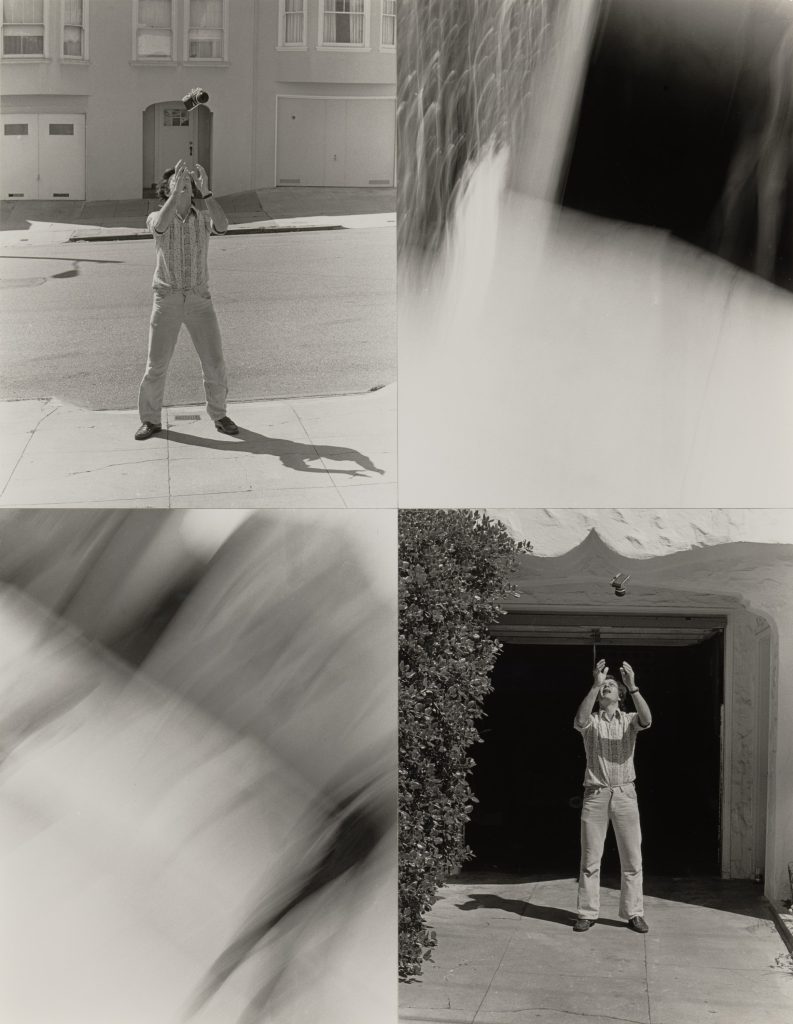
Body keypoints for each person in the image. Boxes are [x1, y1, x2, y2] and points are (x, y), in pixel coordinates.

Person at [135, 159, 239, 440]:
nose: (182, 183)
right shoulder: (157, 216)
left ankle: (219, 414)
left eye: (186, 182)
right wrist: (175, 194)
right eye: (174, 181)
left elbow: (224, 226)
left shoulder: (202, 217)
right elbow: (159, 227)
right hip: (166, 298)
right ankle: (150, 419)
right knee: (156, 365)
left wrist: (205, 192)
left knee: (214, 362)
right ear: (165, 191)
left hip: (198, 299)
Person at [573, 657, 652, 933]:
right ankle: (586, 912)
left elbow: (647, 719)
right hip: (595, 794)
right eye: (604, 685)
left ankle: (634, 913)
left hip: (624, 794)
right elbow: (579, 720)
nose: (607, 687)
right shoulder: (592, 721)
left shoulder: (629, 720)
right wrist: (595, 685)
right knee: (590, 857)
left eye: (610, 685)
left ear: (619, 695)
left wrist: (632, 686)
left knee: (632, 857)